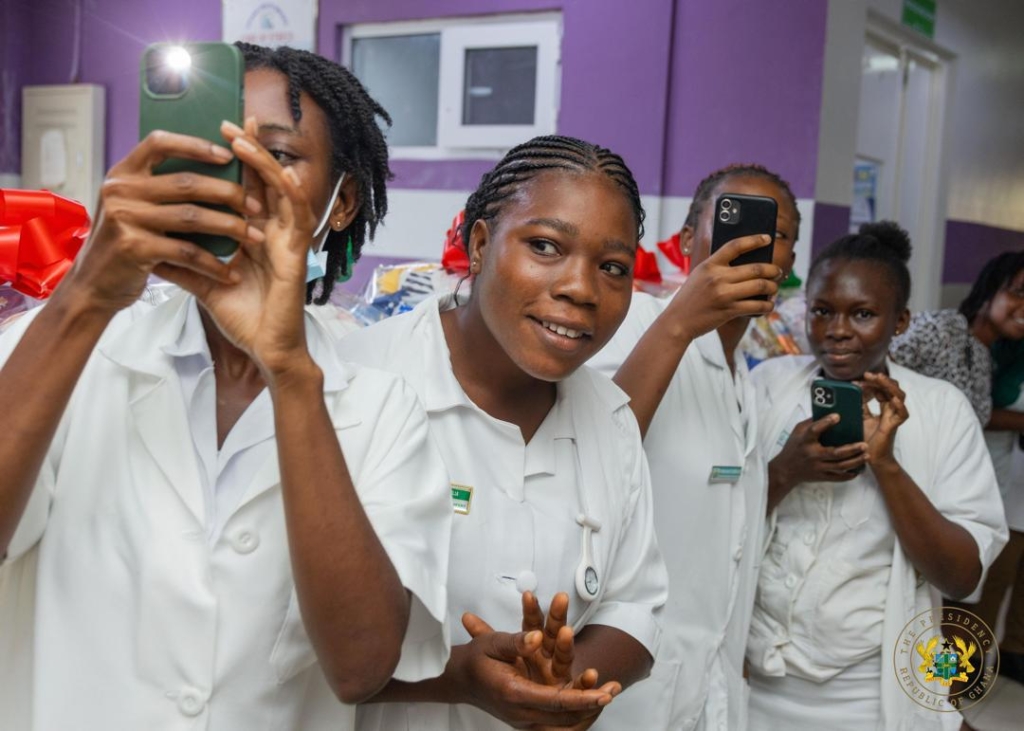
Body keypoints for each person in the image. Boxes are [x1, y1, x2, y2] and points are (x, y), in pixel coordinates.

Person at [0, 43, 452, 730]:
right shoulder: (65, 347)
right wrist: (88, 292)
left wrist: (289, 370)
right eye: (214, 149)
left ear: (342, 201)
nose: (238, 179)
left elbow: (361, 666)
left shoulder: (382, 406)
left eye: (280, 154)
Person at [339, 135, 668, 730]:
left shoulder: (611, 418)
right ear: (482, 243)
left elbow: (635, 604)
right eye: (545, 246)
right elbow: (285, 636)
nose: (581, 288)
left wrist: (558, 691)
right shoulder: (353, 383)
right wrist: (457, 679)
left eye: (612, 267)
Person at [745, 221, 1008, 729]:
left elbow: (961, 575)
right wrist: (785, 472)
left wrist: (886, 464)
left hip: (869, 692)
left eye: (863, 314)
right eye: (822, 311)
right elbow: (715, 530)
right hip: (757, 680)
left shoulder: (940, 409)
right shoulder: (769, 387)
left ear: (901, 321)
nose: (838, 330)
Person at [588, 163, 797, 730]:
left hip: (711, 683)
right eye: (738, 222)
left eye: (779, 234)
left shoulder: (746, 379)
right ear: (685, 243)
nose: (758, 243)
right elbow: (591, 454)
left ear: (790, 265)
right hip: (627, 687)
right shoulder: (633, 326)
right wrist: (682, 322)